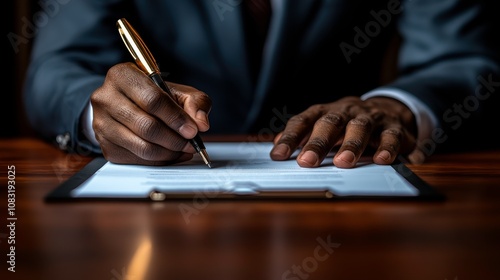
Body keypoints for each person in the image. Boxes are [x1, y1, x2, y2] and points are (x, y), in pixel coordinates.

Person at [23, 0, 499, 168]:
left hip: (345, 193)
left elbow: (461, 57)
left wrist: (398, 105)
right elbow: (54, 68)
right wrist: (101, 112)